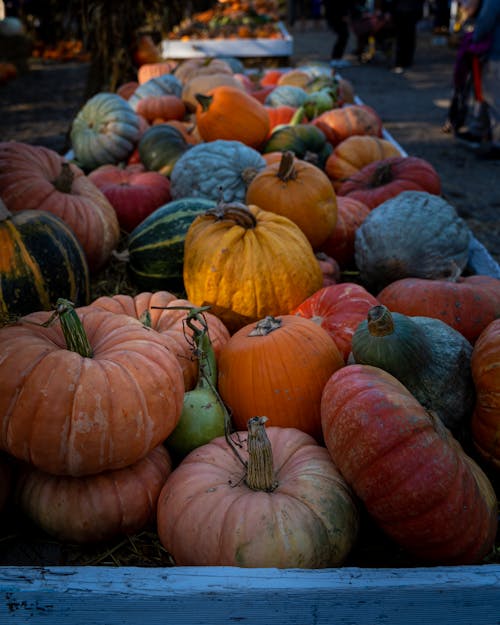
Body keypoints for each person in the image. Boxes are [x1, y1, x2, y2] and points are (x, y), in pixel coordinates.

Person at [455, 0, 500, 157]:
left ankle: (497, 143)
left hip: (496, 54)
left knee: (494, 99)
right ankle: (478, 130)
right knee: (484, 95)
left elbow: (486, 21)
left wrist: (475, 37)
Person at [388, 0, 426, 72]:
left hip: (408, 12)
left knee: (407, 38)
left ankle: (404, 60)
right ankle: (402, 61)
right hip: (403, 12)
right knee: (403, 38)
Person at [323, 0, 352, 66]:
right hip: (337, 15)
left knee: (343, 35)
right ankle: (336, 58)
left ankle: (337, 58)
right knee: (343, 35)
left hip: (335, 14)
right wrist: (343, 14)